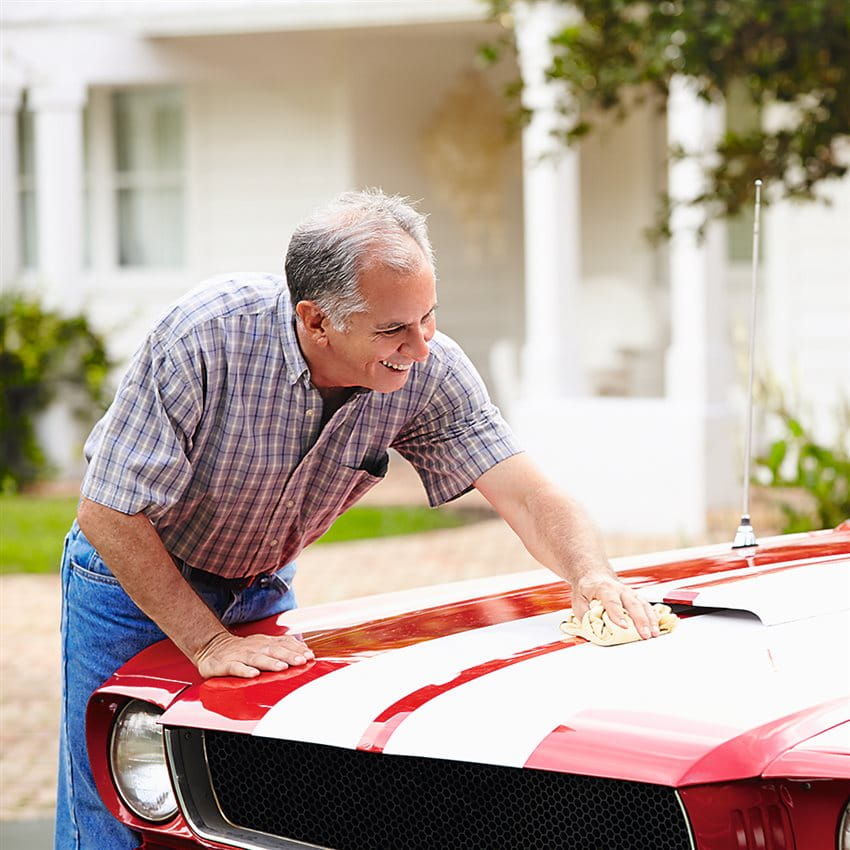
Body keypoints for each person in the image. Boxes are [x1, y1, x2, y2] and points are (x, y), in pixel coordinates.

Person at [55, 188, 659, 848]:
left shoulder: (431, 369)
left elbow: (528, 495)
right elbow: (109, 510)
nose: (420, 346)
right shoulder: (206, 335)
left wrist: (591, 574)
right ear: (316, 321)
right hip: (127, 585)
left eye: (428, 316)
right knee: (118, 810)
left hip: (260, 586)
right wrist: (209, 644)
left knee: (242, 808)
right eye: (394, 328)